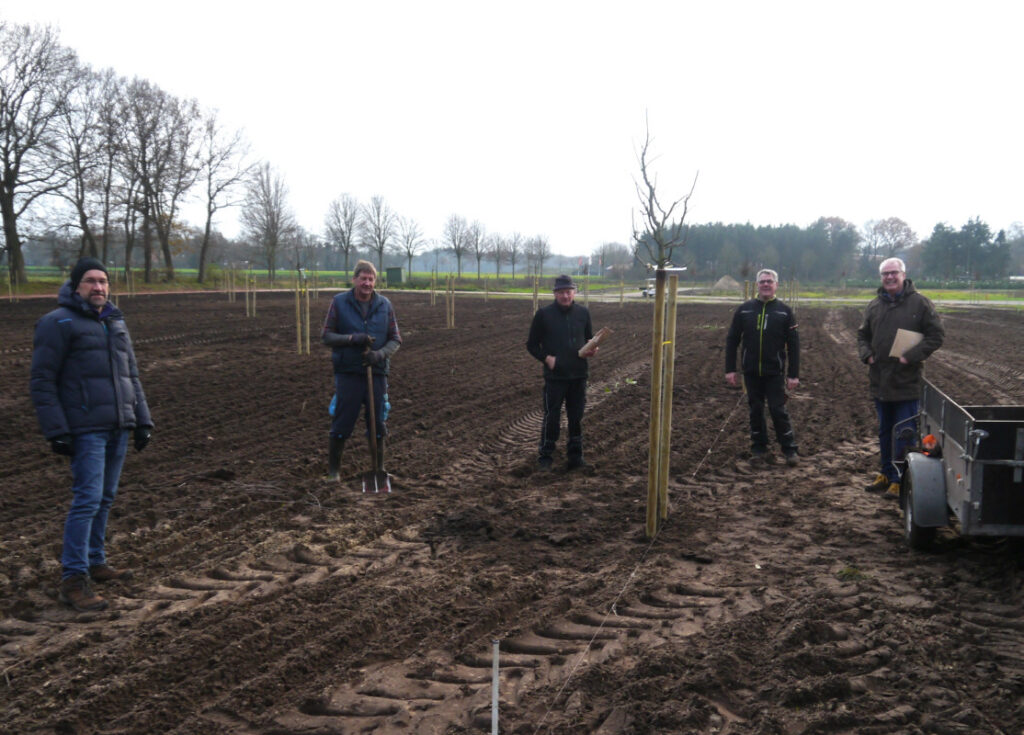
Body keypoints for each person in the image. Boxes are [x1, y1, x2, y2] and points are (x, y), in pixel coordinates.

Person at [30, 256, 153, 612]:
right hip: (86, 428)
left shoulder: (115, 321)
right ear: (75, 286)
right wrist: (57, 430)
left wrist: (142, 419)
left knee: (106, 497)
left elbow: (131, 375)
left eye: (103, 281)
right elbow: (42, 381)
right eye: (90, 281)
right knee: (86, 500)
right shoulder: (57, 323)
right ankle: (73, 579)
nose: (98, 287)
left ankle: (96, 562)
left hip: (118, 425)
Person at [857, 257, 944, 496]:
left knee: (904, 433)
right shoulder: (874, 305)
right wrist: (868, 356)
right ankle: (886, 473)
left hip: (906, 383)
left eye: (894, 273)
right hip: (880, 382)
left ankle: (901, 480)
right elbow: (862, 336)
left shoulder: (920, 304)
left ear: (903, 275)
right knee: (885, 431)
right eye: (885, 274)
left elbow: (936, 335)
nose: (889, 277)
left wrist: (912, 356)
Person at [321, 260, 401, 480]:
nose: (367, 283)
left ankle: (379, 468)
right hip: (348, 372)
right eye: (363, 278)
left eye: (371, 279)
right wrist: (352, 339)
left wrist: (379, 355)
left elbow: (395, 339)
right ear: (354, 279)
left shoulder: (385, 305)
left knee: (377, 421)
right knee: (342, 420)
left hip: (376, 372)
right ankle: (334, 472)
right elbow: (327, 336)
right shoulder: (339, 303)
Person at [724, 268, 800, 466]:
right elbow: (732, 340)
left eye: (770, 281)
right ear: (757, 285)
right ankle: (759, 449)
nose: (766, 285)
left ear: (776, 285)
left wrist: (793, 374)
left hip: (774, 372)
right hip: (751, 372)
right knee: (755, 410)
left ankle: (789, 449)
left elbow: (794, 345)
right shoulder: (745, 310)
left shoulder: (784, 311)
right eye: (762, 281)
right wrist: (730, 369)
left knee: (778, 410)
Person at [526, 274, 598, 470]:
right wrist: (546, 358)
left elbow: (589, 338)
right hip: (555, 377)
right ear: (555, 294)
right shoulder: (543, 315)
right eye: (561, 293)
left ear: (574, 293)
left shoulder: (583, 313)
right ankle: (546, 457)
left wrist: (592, 349)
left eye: (569, 292)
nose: (565, 296)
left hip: (578, 375)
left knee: (576, 418)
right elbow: (531, 345)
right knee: (552, 417)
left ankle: (575, 457)